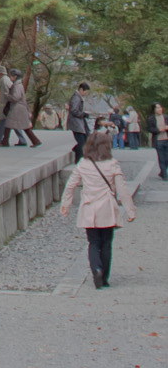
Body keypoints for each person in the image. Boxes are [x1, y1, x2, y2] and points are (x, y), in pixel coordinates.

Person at [59, 129, 136, 288]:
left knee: (93, 242)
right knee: (106, 242)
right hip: (107, 207)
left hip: (89, 207)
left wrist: (65, 204)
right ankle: (104, 278)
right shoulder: (112, 164)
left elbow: (71, 185)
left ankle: (96, 269)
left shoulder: (83, 164)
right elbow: (122, 189)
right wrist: (130, 210)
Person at [0, 68, 41, 147]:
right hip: (19, 109)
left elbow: (15, 97)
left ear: (15, 76)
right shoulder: (18, 85)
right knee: (24, 126)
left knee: (9, 124)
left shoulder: (17, 86)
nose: (10, 77)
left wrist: (7, 96)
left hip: (17, 109)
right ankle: (35, 141)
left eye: (11, 76)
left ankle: (5, 142)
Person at [67, 82, 92, 161]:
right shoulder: (76, 98)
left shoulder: (78, 97)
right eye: (85, 92)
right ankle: (78, 160)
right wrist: (83, 114)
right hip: (76, 124)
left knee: (84, 141)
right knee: (82, 143)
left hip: (79, 123)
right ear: (81, 89)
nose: (85, 94)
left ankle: (77, 155)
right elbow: (74, 110)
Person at [150, 103, 168, 179]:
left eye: (160, 107)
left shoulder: (166, 117)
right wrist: (158, 130)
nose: (160, 109)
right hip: (158, 140)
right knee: (161, 158)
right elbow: (150, 129)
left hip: (166, 138)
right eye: (157, 108)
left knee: (167, 157)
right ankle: (164, 175)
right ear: (154, 109)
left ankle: (162, 171)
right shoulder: (151, 118)